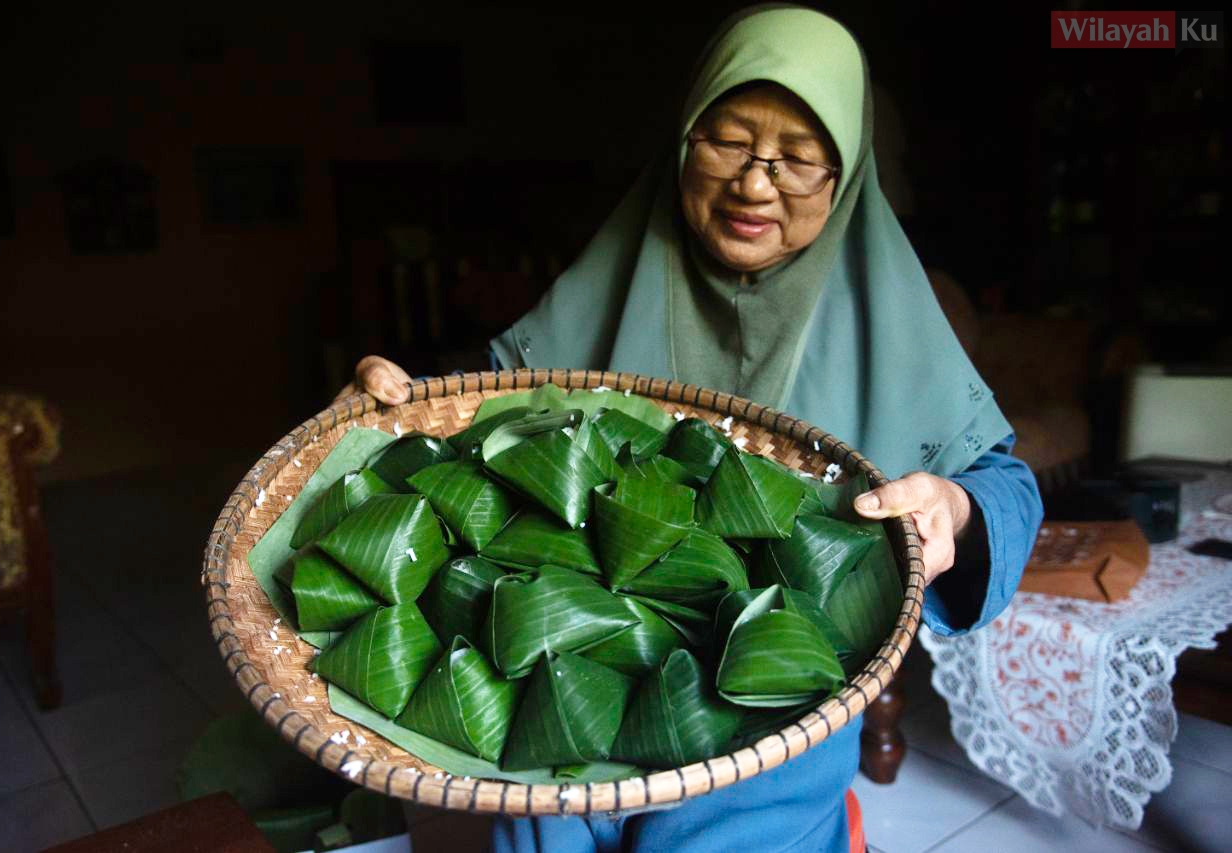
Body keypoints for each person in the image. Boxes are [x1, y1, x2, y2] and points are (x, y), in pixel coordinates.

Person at [341, 6, 1042, 851]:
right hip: (559, 718)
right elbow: (475, 422)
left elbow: (1004, 485)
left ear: (847, 172)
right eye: (728, 143)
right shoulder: (604, 287)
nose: (755, 185)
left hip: (771, 734)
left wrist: (954, 507)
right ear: (683, 143)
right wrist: (392, 406)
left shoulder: (891, 318)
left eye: (798, 158)